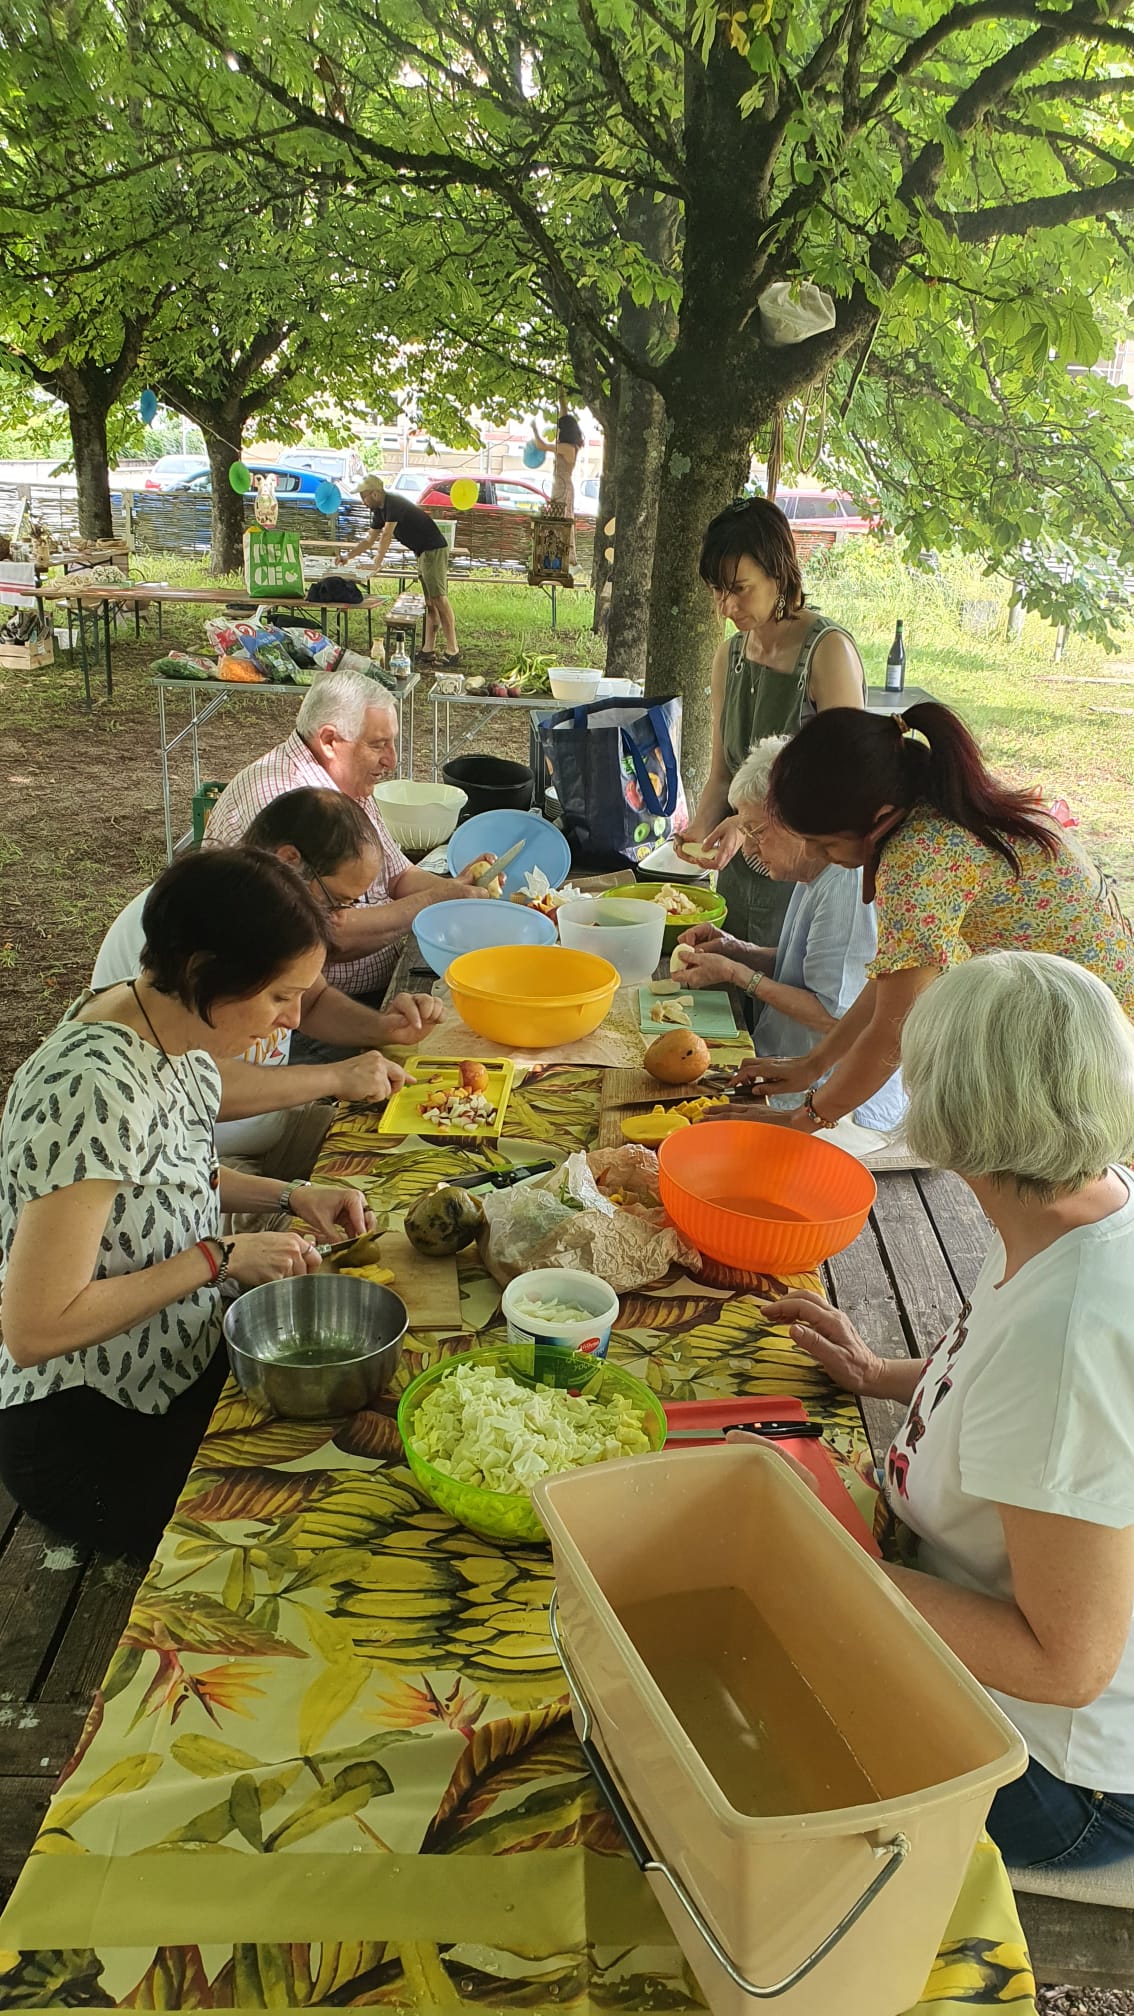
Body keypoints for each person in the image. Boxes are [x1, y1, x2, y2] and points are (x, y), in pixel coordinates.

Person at [759, 952, 1134, 1870]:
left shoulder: (1071, 1338)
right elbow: (1021, 1407)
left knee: (743, 1687)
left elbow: (1067, 1666)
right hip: (1001, 1633)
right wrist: (889, 1374)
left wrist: (821, 1570)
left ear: (950, 1119)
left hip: (1060, 1774)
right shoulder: (1086, 1196)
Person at [0, 851, 376, 1563]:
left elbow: (169, 1177)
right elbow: (35, 1327)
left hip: (175, 1359)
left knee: (345, 1437)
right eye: (278, 997)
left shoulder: (163, 1024)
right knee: (304, 1530)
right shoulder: (90, 1090)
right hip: (90, 1428)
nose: (293, 1019)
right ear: (205, 971)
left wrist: (293, 1195)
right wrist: (219, 1257)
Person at [739, 703, 1134, 1129]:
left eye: (826, 844)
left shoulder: (919, 858)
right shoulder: (929, 801)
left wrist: (805, 1118)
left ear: (878, 819)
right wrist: (814, 1064)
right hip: (1075, 1009)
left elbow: (894, 1030)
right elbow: (894, 978)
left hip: (1090, 1036)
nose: (819, 857)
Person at [92, 789, 443, 1214]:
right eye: (337, 902)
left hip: (246, 1145)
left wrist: (385, 1028)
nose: (291, 1019)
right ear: (290, 860)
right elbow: (200, 1088)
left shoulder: (267, 921)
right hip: (212, 1162)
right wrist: (334, 1077)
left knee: (419, 1162)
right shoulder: (197, 932)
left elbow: (310, 1005)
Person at [203, 669, 492, 998]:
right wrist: (437, 900)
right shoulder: (284, 798)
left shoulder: (346, 782)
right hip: (305, 1017)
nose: (392, 760)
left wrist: (465, 892)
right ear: (329, 741)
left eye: (392, 743)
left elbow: (397, 876)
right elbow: (326, 934)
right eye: (378, 745)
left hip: (368, 992)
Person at [674, 738, 903, 1133]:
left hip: (840, 1109)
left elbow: (835, 1013)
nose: (751, 847)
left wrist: (737, 973)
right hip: (797, 1077)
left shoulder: (846, 884)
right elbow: (813, 965)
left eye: (756, 831)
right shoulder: (812, 868)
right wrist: (739, 949)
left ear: (798, 822)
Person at [675, 498, 866, 947]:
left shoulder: (828, 653)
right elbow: (723, 773)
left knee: (790, 993)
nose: (725, 607)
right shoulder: (731, 656)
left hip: (808, 872)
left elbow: (849, 783)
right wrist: (698, 830)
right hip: (741, 873)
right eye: (717, 590)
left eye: (739, 589)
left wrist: (749, 824)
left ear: (778, 574)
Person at [343, 476, 458, 665]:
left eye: (364, 497)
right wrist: (348, 556)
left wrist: (376, 563)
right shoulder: (379, 511)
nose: (363, 502)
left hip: (433, 549)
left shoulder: (393, 503)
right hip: (422, 552)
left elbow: (387, 534)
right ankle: (428, 650)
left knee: (439, 599)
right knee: (430, 602)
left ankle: (453, 650)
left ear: (375, 493)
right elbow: (369, 540)